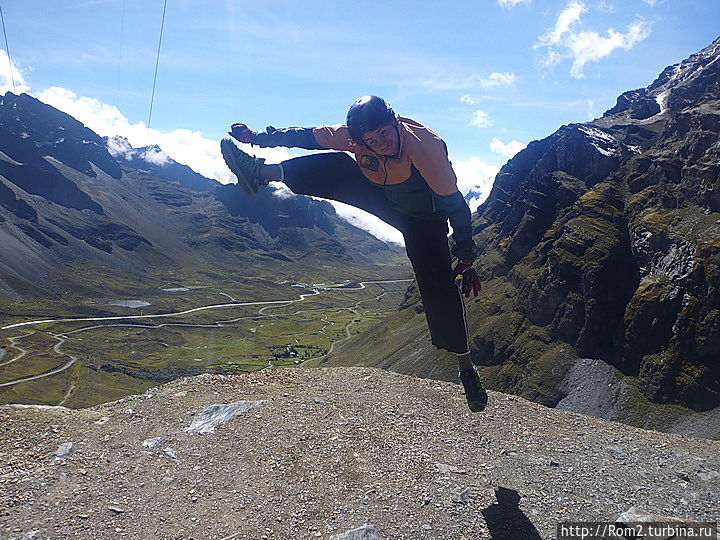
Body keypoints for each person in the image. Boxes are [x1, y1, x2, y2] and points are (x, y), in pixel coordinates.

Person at [221, 95, 487, 412]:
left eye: (385, 134)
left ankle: (466, 368)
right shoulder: (354, 137)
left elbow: (456, 208)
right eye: (371, 140)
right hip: (381, 194)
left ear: (394, 120)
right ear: (360, 138)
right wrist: (258, 139)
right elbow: (308, 136)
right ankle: (258, 174)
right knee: (335, 164)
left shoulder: (426, 149)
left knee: (438, 286)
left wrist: (466, 256)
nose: (380, 143)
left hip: (425, 220)